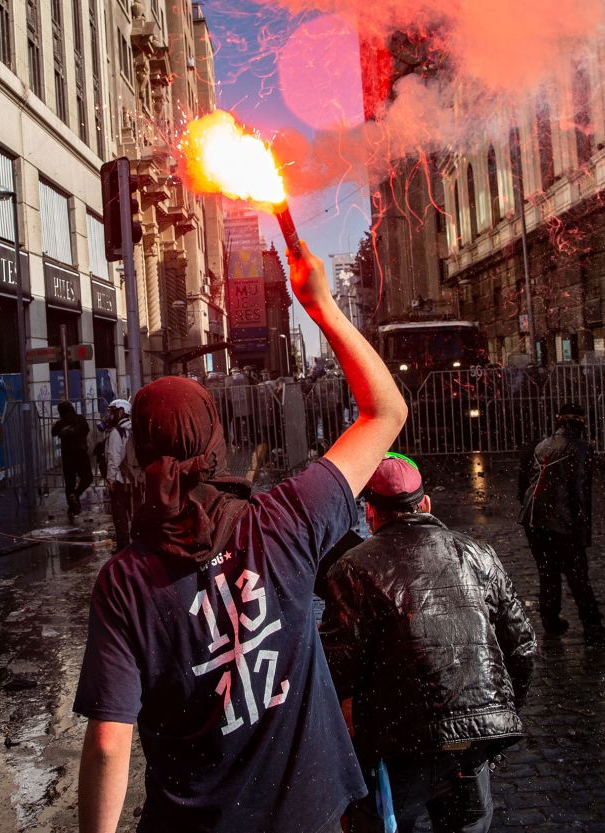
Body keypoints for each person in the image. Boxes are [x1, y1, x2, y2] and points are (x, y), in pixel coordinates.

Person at [74, 243, 407, 833]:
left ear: (139, 460)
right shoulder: (286, 519)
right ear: (215, 445)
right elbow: (384, 412)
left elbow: (107, 744)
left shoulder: (124, 583)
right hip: (309, 817)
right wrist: (322, 306)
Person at [321, 454, 538, 833]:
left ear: (371, 514)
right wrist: (500, 714)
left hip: (397, 746)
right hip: (471, 747)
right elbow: (522, 647)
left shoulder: (352, 568)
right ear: (425, 504)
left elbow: (337, 671)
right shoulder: (478, 554)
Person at [516, 403, 605, 646]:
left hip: (533, 518)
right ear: (581, 424)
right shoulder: (580, 448)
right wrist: (582, 532)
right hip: (559, 519)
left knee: (547, 570)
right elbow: (580, 492)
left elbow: (523, 486)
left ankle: (550, 619)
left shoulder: (541, 446)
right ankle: (592, 626)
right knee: (578, 575)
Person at [101, 399, 137, 545]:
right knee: (134, 513)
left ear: (122, 412)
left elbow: (114, 458)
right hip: (135, 479)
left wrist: (110, 479)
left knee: (120, 514)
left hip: (120, 480)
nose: (110, 415)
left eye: (113, 412)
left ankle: (123, 545)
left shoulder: (118, 432)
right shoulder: (133, 428)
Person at [52, 402, 91, 516]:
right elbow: (86, 430)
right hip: (80, 453)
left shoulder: (61, 423)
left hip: (67, 456)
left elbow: (53, 432)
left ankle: (73, 507)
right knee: (87, 478)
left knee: (70, 482)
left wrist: (61, 428)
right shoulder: (80, 419)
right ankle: (76, 495)